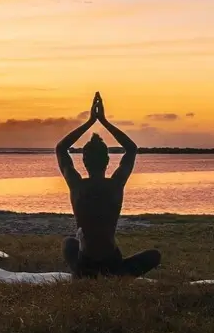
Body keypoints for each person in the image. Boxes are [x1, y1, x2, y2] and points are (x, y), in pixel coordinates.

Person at [54, 91, 161, 278]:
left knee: (69, 243)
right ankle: (115, 275)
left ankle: (85, 275)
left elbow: (61, 149)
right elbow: (131, 149)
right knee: (154, 255)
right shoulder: (115, 185)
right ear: (107, 161)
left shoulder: (77, 186)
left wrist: (90, 121)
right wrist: (103, 120)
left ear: (84, 162)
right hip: (113, 262)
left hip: (85, 262)